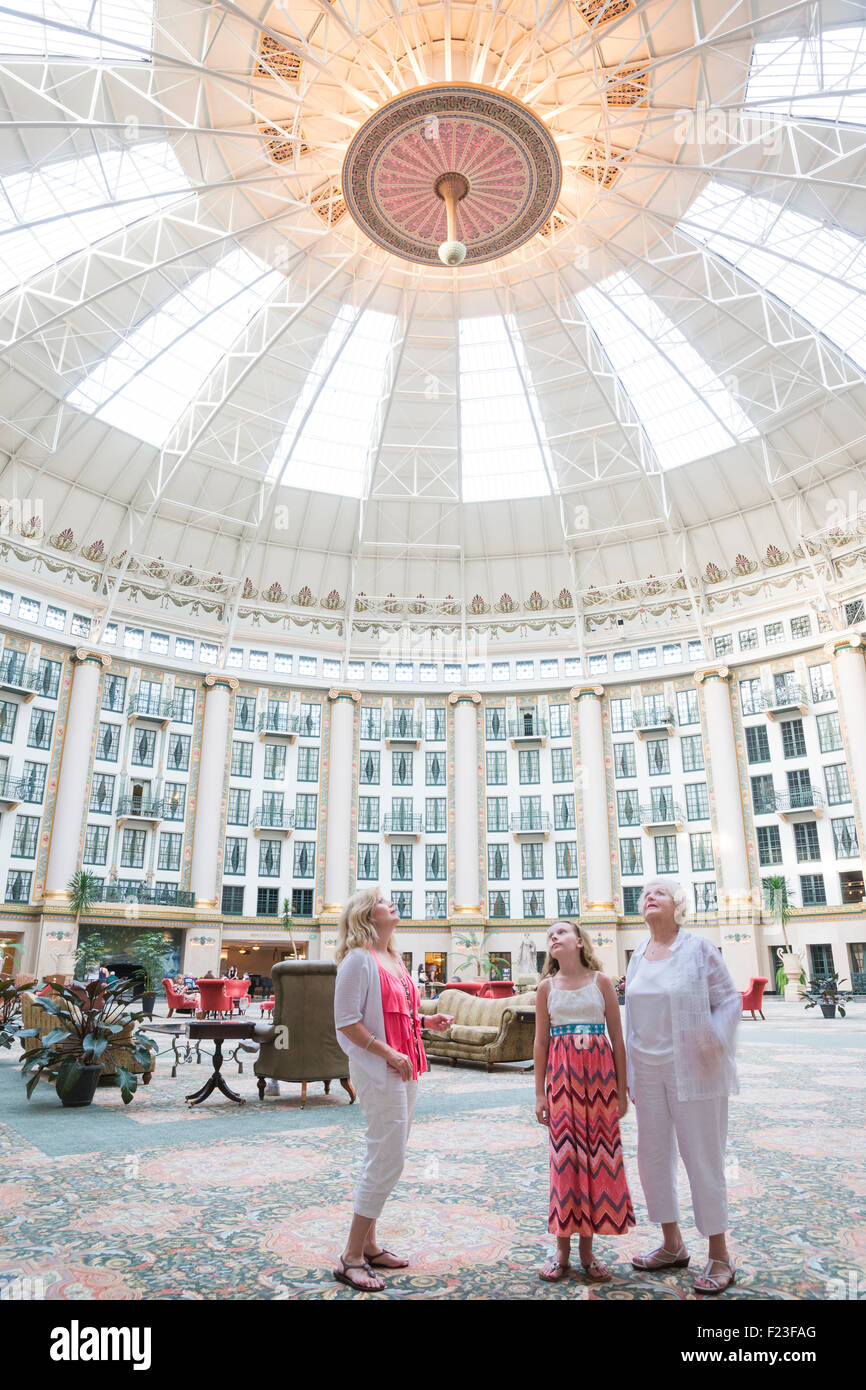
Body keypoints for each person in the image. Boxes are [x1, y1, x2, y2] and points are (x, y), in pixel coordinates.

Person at [333, 886, 453, 1292]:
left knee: (387, 1152)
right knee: (389, 1156)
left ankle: (368, 1245)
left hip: (404, 1065)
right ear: (368, 915)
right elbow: (347, 1021)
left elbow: (396, 1015)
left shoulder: (394, 959)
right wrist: (388, 1053)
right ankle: (350, 1256)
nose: (391, 903)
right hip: (379, 1068)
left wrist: (425, 1023)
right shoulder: (357, 960)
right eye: (383, 901)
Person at [625, 879, 741, 1295]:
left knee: (702, 1159)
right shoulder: (638, 953)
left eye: (659, 892)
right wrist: (630, 1076)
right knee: (653, 1159)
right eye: (644, 894)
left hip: (694, 1070)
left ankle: (719, 1254)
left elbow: (730, 999)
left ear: (679, 904)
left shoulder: (698, 948)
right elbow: (631, 1018)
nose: (649, 897)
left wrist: (715, 1038)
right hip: (649, 1071)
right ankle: (672, 1244)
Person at [534, 920, 635, 1282]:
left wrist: (622, 1089)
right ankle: (561, 1251)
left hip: (600, 1081)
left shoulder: (601, 982)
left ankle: (588, 1251)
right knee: (565, 1161)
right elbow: (541, 1043)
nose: (553, 937)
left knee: (597, 1160)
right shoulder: (546, 987)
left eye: (560, 932)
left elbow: (617, 1039)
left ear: (579, 941)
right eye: (550, 936)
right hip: (562, 1082)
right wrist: (539, 1092)